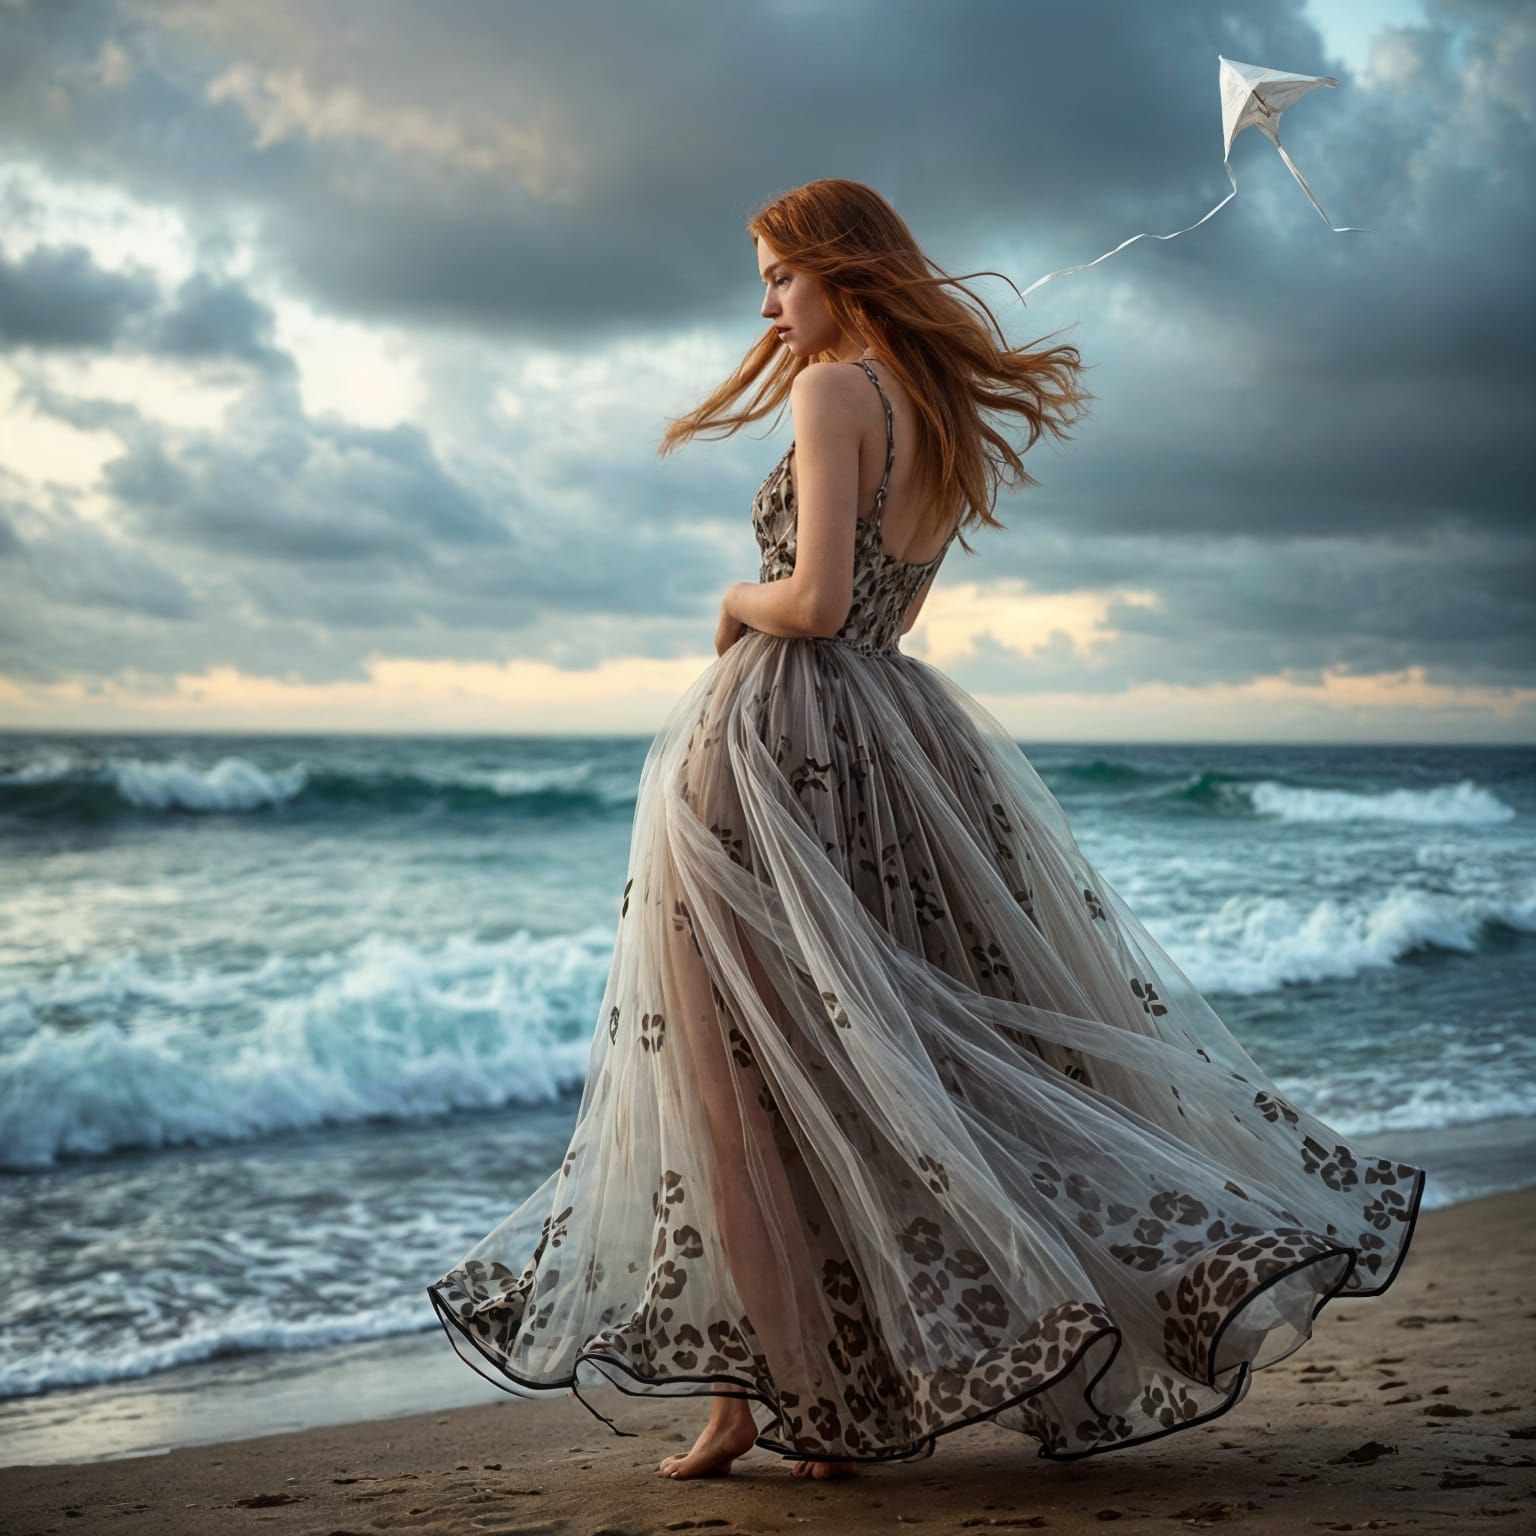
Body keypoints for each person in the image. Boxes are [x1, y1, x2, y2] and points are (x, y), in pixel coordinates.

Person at [426, 178, 1425, 1483]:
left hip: (781, 749)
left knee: (741, 1099)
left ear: (842, 270)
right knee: (877, 1070)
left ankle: (774, 1401)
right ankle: (819, 1388)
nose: (766, 304)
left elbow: (821, 600)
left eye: (780, 275)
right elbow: (879, 612)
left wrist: (733, 594)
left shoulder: (835, 392)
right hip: (893, 746)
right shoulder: (935, 411)